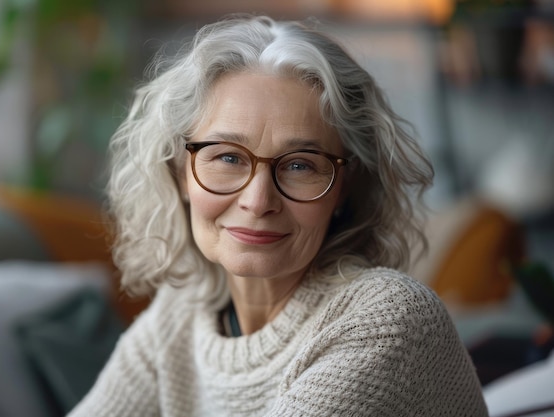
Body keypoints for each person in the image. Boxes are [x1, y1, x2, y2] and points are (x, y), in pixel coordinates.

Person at [68, 15, 488, 416]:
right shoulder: (179, 316)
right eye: (228, 157)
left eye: (300, 164)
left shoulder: (386, 320)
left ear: (345, 186)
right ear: (180, 171)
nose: (257, 200)